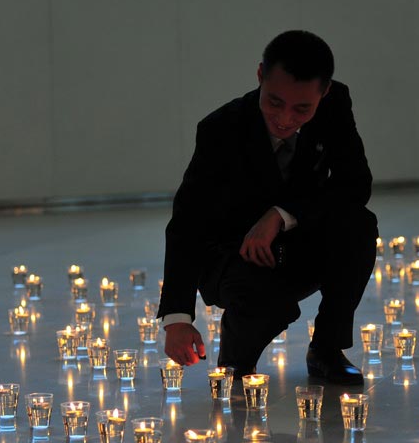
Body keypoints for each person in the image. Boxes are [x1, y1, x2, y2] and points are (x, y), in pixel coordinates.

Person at [157, 30, 378, 386]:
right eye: (274, 102)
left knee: (358, 225)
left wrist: (281, 214)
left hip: (295, 241)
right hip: (233, 256)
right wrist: (178, 317)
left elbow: (355, 185)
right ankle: (236, 364)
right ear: (260, 76)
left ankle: (326, 349)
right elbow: (188, 221)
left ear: (323, 93)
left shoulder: (335, 106)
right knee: (263, 305)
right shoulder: (221, 129)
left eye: (302, 108)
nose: (286, 118)